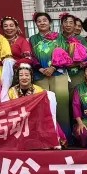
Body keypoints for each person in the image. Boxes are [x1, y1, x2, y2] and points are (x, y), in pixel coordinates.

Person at [29, 12, 72, 140]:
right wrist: (40, 68)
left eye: (45, 20)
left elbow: (65, 54)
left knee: (62, 105)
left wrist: (53, 67)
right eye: (39, 21)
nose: (42, 23)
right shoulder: (32, 39)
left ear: (50, 22)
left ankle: (65, 138)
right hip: (40, 75)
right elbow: (31, 56)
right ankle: (47, 138)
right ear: (36, 24)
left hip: (58, 74)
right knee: (44, 106)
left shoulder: (59, 37)